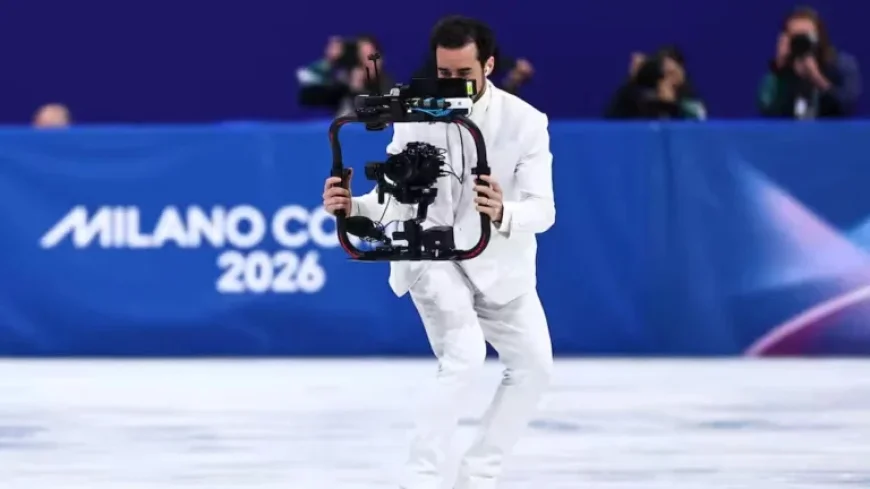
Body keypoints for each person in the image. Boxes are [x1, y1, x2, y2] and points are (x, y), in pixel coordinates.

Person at [322, 15, 554, 489]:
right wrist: (352, 205)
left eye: (463, 75)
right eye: (443, 74)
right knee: (464, 356)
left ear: (488, 65)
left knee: (534, 368)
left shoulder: (526, 123)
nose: (451, 85)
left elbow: (543, 210)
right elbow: (392, 196)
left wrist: (503, 211)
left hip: (498, 261)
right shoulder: (412, 115)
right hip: (430, 255)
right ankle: (421, 479)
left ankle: (478, 475)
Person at [758, 6, 862, 119]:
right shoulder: (782, 68)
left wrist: (818, 79)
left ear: (820, 37)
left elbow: (847, 107)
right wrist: (779, 69)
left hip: (831, 134)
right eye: (796, 37)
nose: (802, 42)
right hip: (790, 135)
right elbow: (766, 108)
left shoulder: (841, 65)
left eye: (806, 36)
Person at [297, 34, 395, 117]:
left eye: (370, 56)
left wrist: (358, 91)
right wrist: (329, 62)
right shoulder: (344, 85)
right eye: (360, 56)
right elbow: (307, 97)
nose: (365, 62)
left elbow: (379, 117)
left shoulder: (388, 86)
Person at [605, 46, 706, 120]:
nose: (667, 81)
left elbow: (698, 124)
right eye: (663, 75)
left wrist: (672, 105)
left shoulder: (690, 100)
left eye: (672, 74)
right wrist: (632, 81)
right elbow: (611, 120)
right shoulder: (641, 97)